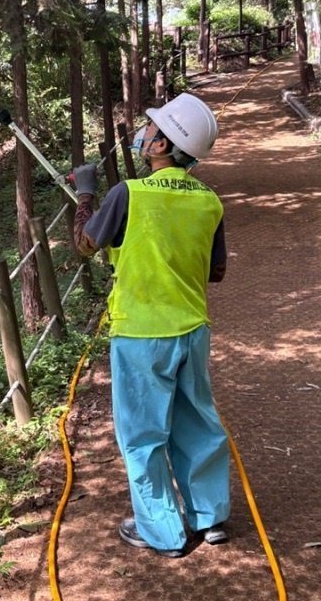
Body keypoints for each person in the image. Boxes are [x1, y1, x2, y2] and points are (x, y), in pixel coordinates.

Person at [72, 92, 230, 559]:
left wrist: (85, 194)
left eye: (150, 130)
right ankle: (210, 517)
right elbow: (215, 272)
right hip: (192, 330)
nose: (142, 134)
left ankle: (162, 531)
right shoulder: (209, 201)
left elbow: (84, 245)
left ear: (163, 146)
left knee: (142, 434)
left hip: (141, 335)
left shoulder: (127, 194)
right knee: (197, 422)